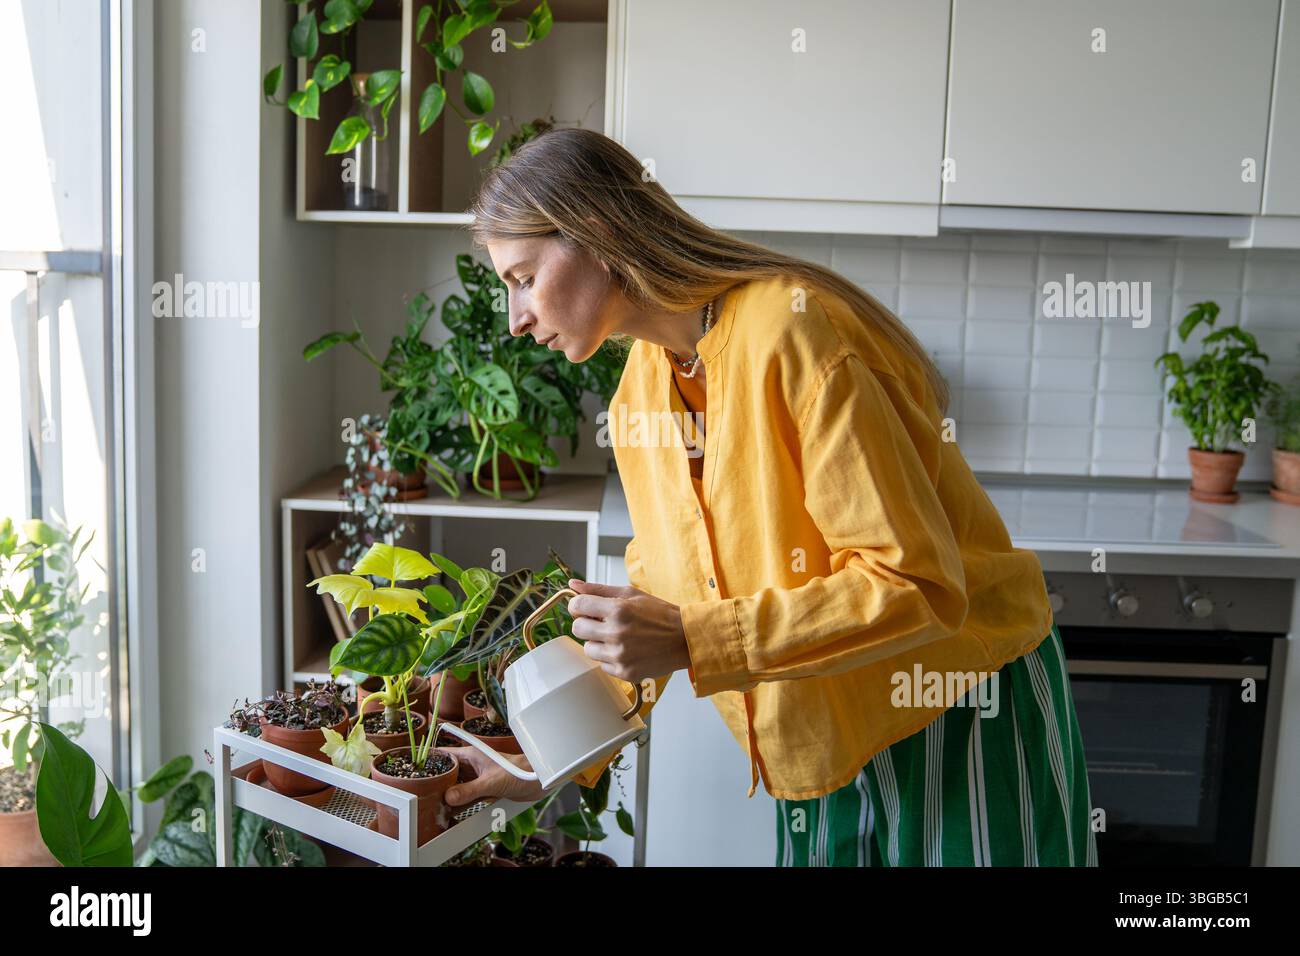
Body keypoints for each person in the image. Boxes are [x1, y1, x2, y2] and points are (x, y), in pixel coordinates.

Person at [441, 127, 1096, 867]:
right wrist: (537, 766)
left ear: (593, 231)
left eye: (523, 278)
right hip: (818, 742)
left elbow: (914, 582)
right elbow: (662, 609)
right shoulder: (637, 397)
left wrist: (696, 639)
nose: (516, 319)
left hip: (954, 708)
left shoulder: (793, 330)